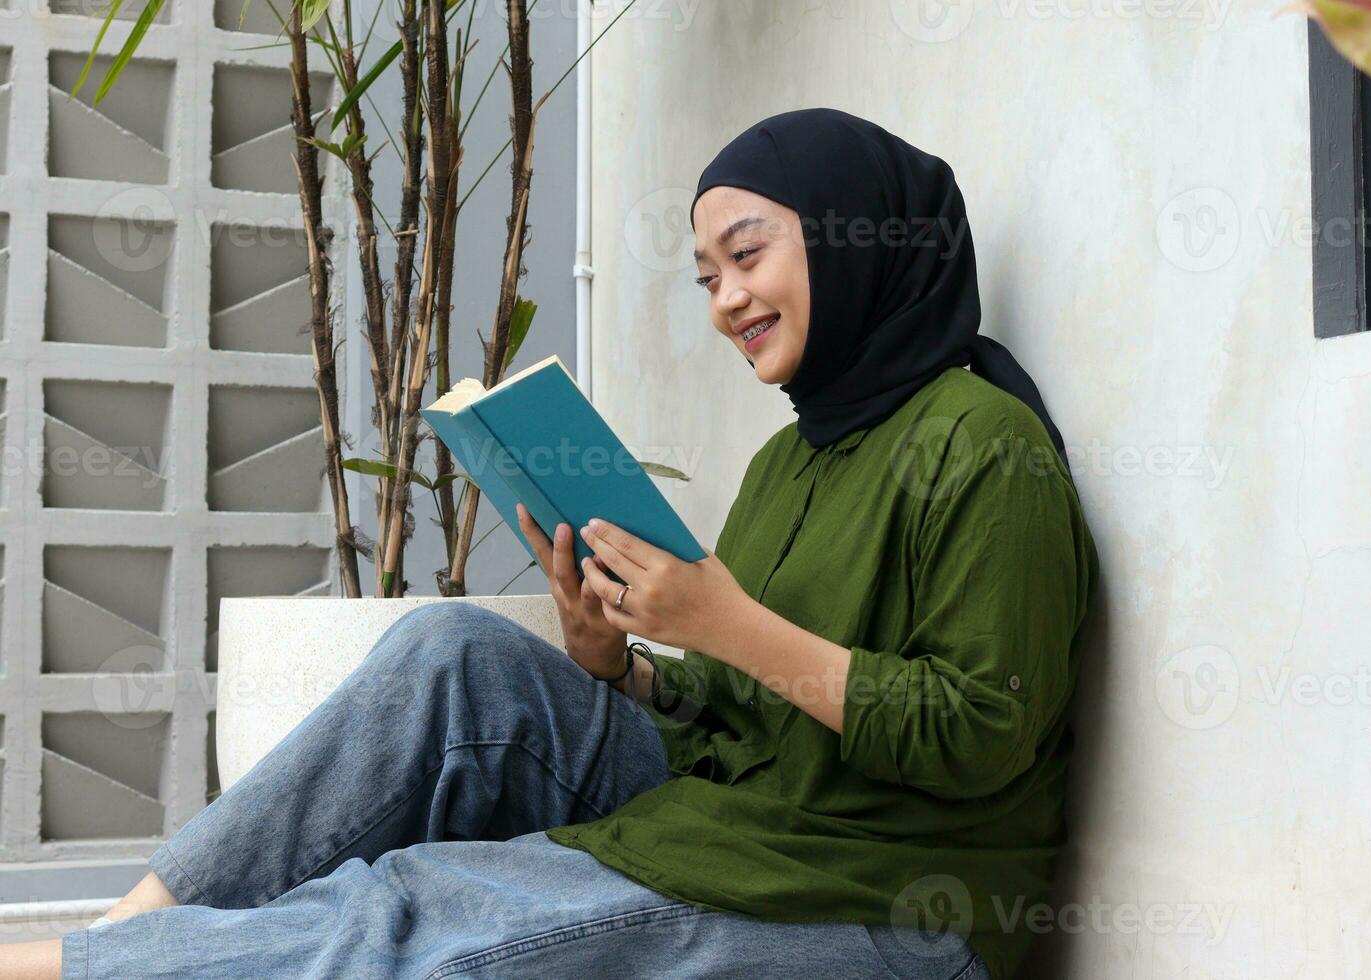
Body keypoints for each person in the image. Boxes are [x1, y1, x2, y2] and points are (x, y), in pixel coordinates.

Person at [11, 107, 1097, 980]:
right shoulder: (791, 461)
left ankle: (70, 970)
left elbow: (983, 733)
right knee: (454, 655)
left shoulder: (986, 447)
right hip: (746, 820)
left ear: (857, 234)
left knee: (446, 914)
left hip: (885, 898)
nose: (724, 299)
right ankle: (127, 928)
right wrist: (613, 661)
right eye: (706, 275)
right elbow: (739, 716)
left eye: (745, 255)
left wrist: (726, 620)